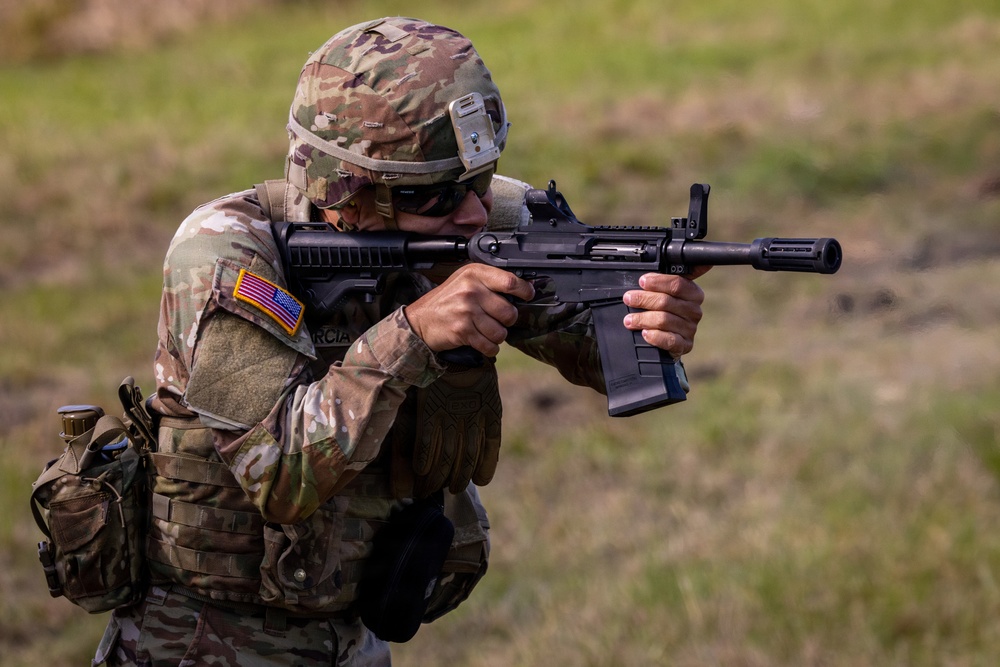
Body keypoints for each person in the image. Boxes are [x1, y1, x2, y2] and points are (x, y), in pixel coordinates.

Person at [93, 16, 707, 666]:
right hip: (203, 642)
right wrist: (412, 334)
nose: (472, 212)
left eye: (480, 179)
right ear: (348, 195)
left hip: (356, 633)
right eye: (439, 195)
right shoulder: (224, 255)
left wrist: (639, 310)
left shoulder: (477, 218)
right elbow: (278, 473)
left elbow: (589, 348)